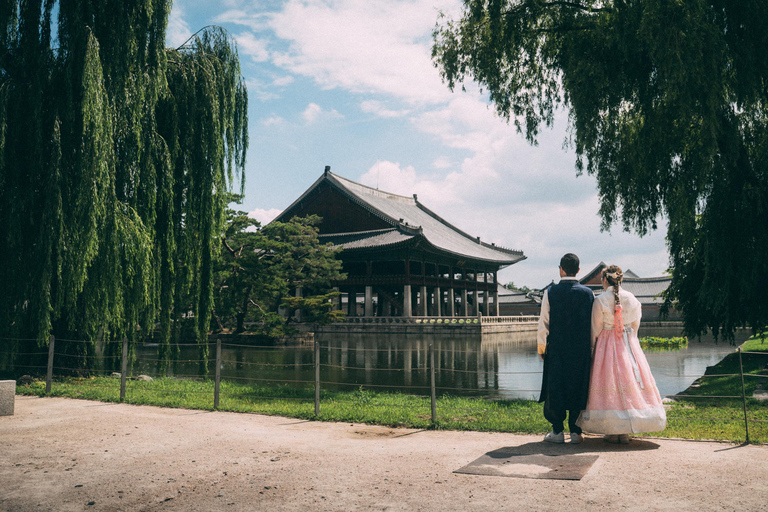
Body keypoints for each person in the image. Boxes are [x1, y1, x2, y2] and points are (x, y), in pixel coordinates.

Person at [576, 266, 667, 443]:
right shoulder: (632, 299)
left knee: (609, 384)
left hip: (606, 346)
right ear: (621, 279)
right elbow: (635, 326)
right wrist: (630, 341)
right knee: (629, 383)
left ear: (604, 279)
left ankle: (612, 430)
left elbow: (595, 329)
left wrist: (593, 350)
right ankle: (625, 431)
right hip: (628, 343)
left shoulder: (600, 300)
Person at [537, 253, 594, 444]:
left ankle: (557, 431)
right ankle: (576, 432)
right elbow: (592, 326)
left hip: (557, 350)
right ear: (578, 270)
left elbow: (544, 323)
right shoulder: (588, 294)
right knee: (579, 386)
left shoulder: (550, 292)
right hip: (580, 350)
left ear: (560, 269)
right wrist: (592, 349)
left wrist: (542, 348)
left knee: (556, 388)